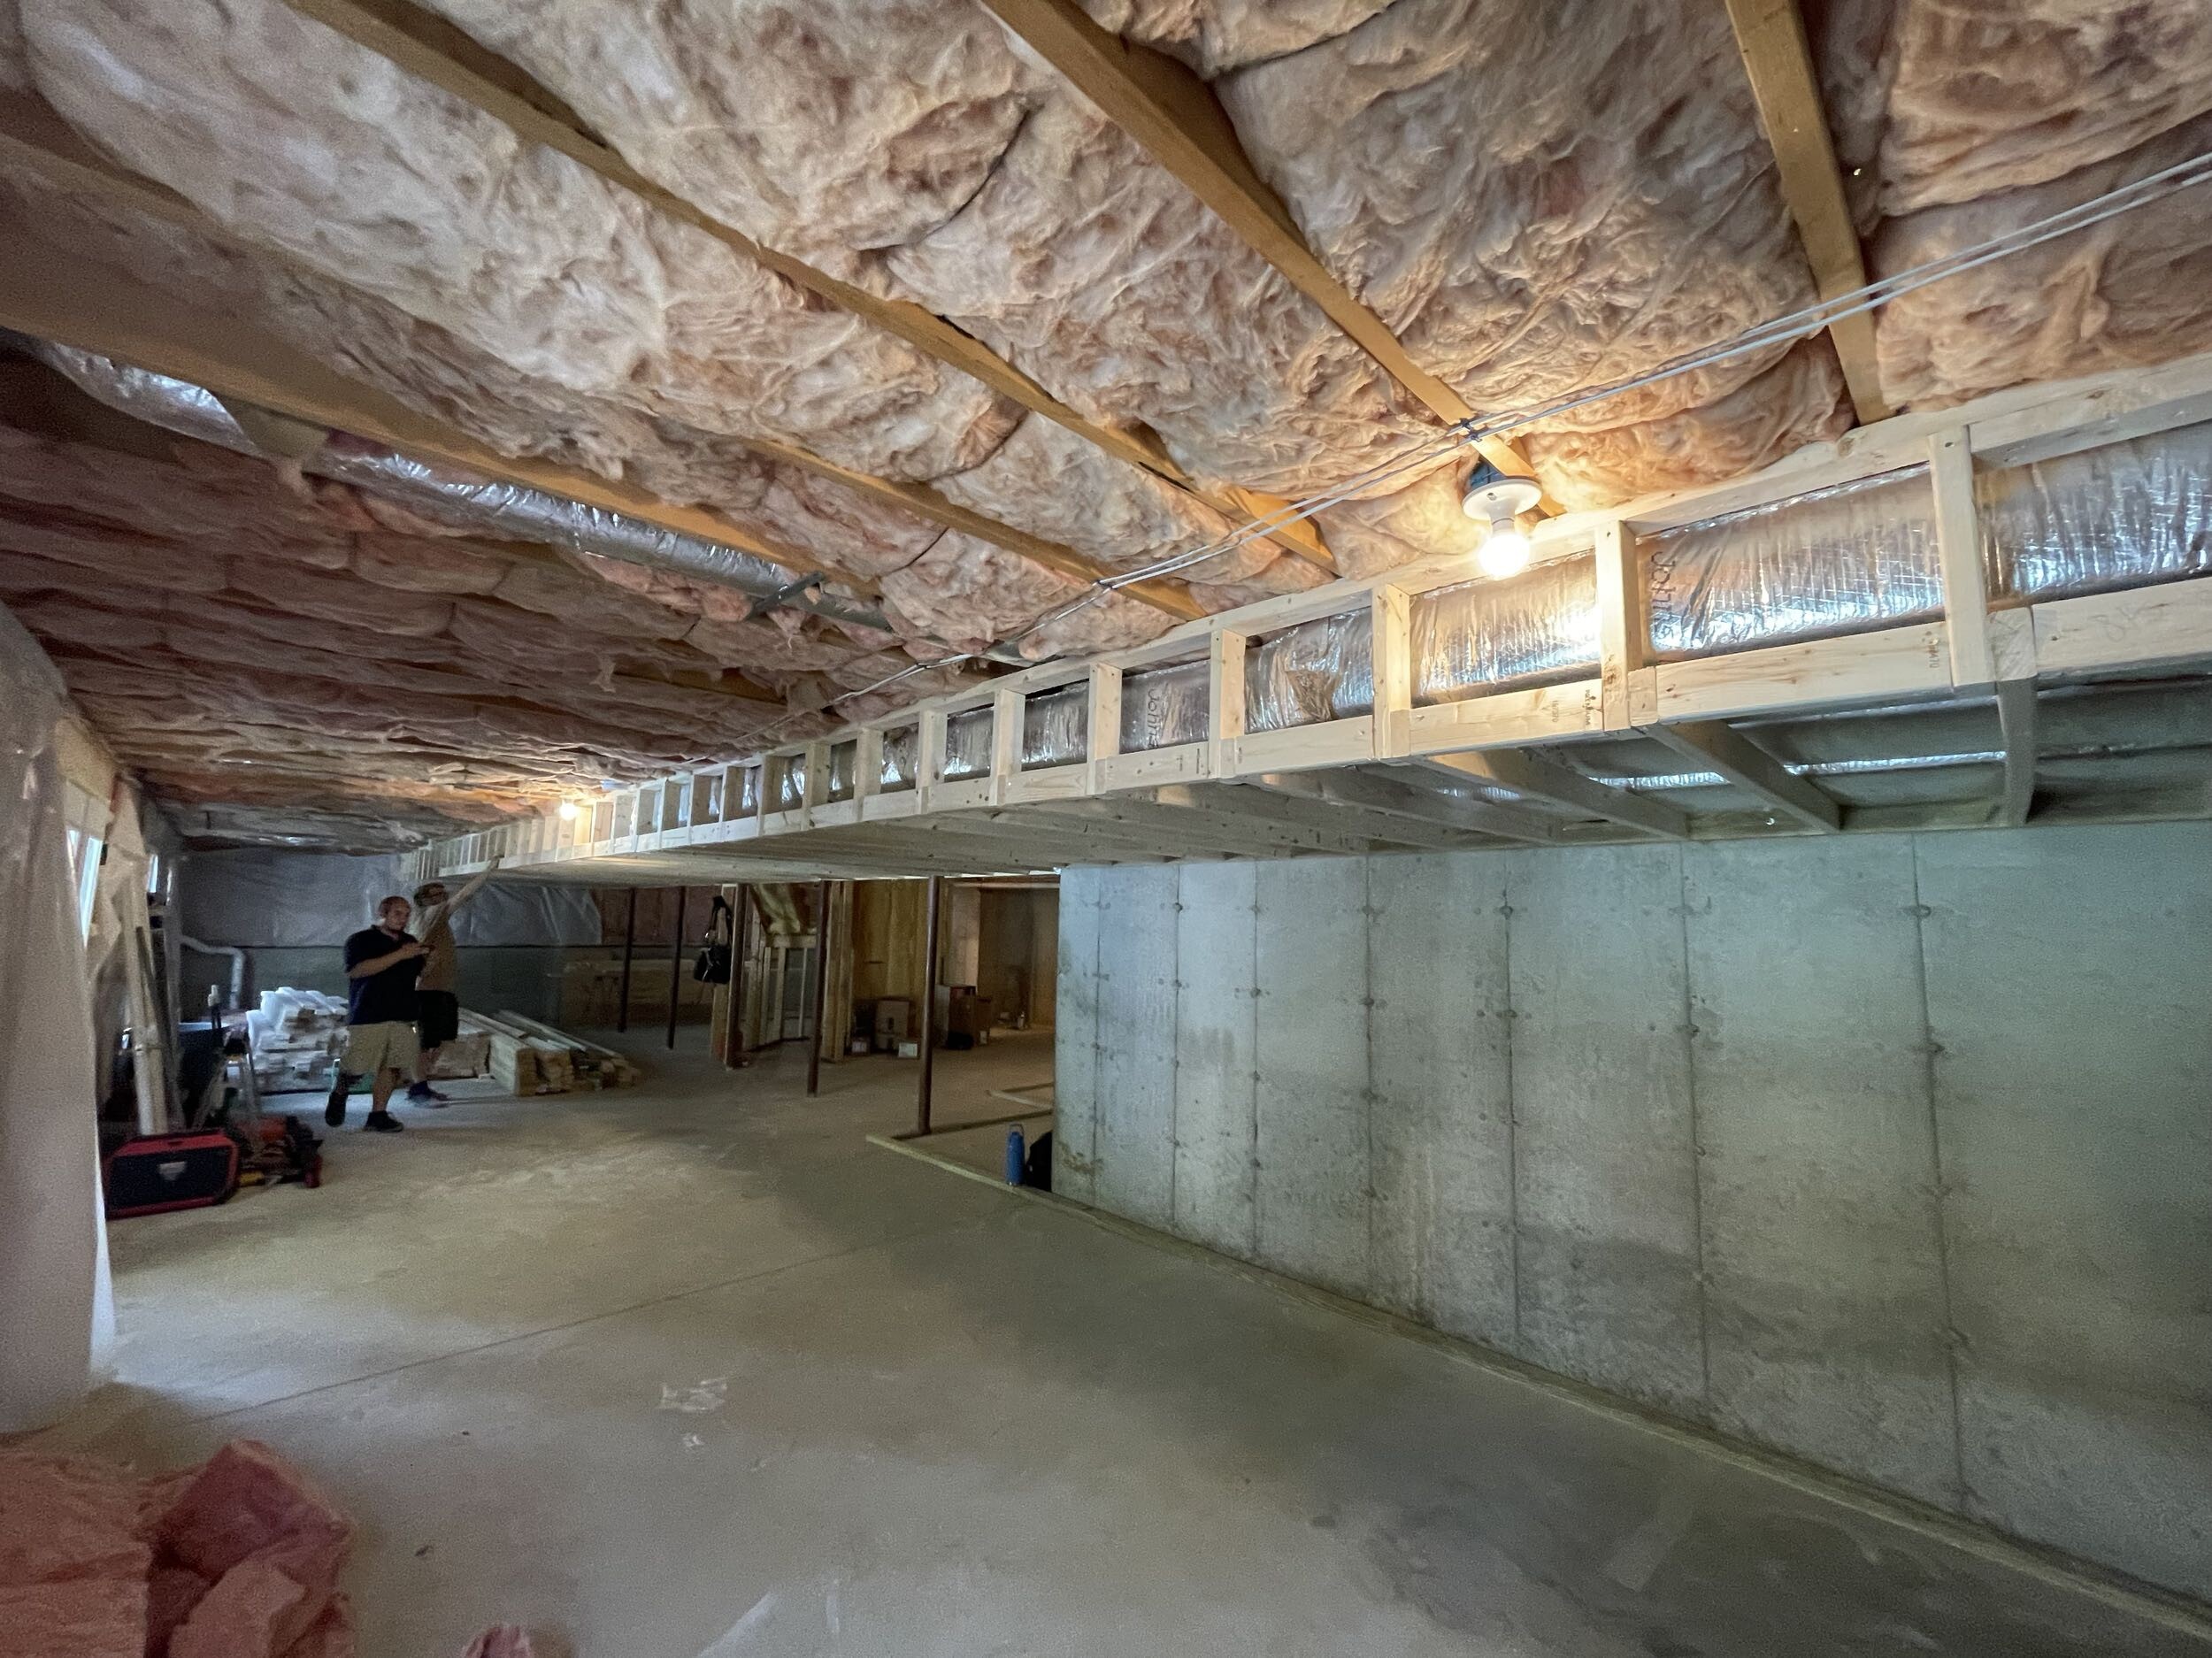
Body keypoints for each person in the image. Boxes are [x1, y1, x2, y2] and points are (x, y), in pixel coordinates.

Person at [326, 895, 426, 1133]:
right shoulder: (361, 940)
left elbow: (418, 974)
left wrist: (427, 960)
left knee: (393, 1065)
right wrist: (401, 955)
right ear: (383, 912)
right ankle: (340, 1093)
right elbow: (357, 971)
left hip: (402, 1013)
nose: (403, 919)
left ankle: (378, 1113)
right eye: (397, 914)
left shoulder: (410, 942)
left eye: (406, 914)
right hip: (369, 1013)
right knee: (356, 1068)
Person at [406, 859, 500, 1105]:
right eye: (435, 896)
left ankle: (422, 1086)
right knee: (426, 1044)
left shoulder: (436, 920)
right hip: (426, 993)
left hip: (441, 991)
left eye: (442, 895)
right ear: (424, 900)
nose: (441, 899)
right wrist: (488, 871)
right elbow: (464, 896)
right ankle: (418, 1090)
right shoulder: (431, 915)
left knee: (440, 1042)